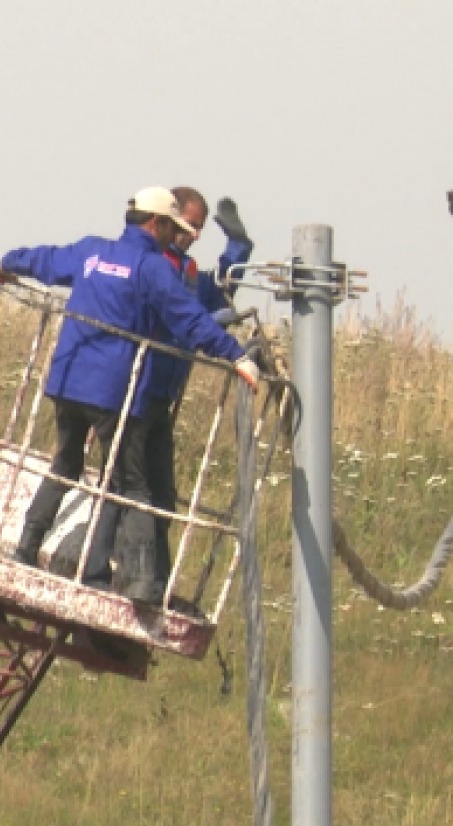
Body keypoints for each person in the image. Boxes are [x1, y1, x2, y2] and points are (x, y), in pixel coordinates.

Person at [0, 186, 261, 604]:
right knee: (130, 484)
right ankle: (137, 582)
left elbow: (46, 260)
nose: (177, 235)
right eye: (174, 227)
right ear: (157, 224)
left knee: (66, 461)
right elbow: (189, 318)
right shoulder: (152, 267)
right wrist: (236, 355)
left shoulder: (92, 252)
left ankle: (27, 546)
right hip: (114, 392)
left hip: (67, 383)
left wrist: (7, 263)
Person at [134, 188, 255, 596]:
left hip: (162, 397)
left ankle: (158, 585)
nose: (195, 236)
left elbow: (217, 294)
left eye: (201, 229)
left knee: (161, 495)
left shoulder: (187, 272)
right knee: (132, 492)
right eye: (190, 227)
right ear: (168, 221)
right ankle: (126, 576)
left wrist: (239, 247)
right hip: (135, 390)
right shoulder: (151, 265)